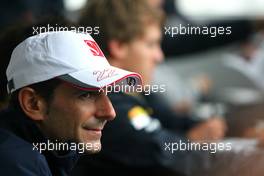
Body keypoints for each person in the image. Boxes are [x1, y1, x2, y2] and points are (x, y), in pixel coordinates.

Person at [72, 0, 226, 175]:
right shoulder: (104, 104)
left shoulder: (134, 90)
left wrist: (210, 126)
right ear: (119, 46)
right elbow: (159, 153)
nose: (159, 56)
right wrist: (192, 139)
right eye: (151, 44)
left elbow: (171, 119)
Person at [0, 31, 141, 175]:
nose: (110, 112)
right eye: (86, 94)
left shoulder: (49, 152)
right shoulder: (16, 165)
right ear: (33, 103)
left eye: (108, 92)